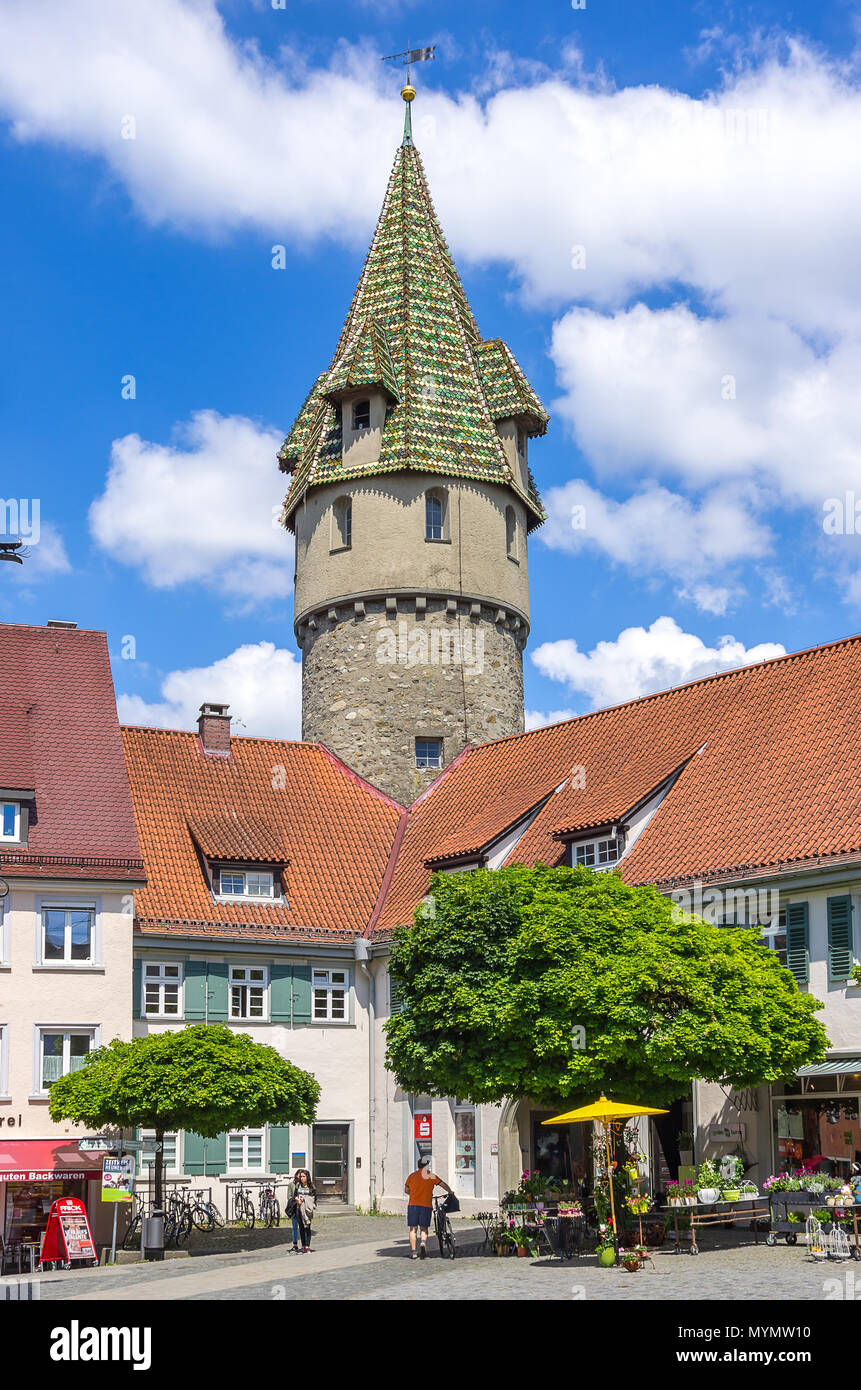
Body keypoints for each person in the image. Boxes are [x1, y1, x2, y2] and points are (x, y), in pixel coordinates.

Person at [404, 1156, 453, 1259]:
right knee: (424, 1228)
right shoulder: (431, 1176)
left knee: (413, 1229)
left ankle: (413, 1252)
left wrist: (414, 1194)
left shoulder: (412, 1176)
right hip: (426, 1205)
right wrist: (450, 1191)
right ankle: (422, 1242)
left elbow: (406, 1190)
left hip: (413, 1205)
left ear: (418, 1166)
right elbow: (443, 1184)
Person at [287, 1169, 317, 1253]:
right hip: (299, 1209)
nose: (302, 1178)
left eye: (304, 1176)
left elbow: (314, 1199)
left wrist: (305, 1199)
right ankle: (303, 1245)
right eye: (301, 1176)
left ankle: (307, 1246)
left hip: (307, 1210)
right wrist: (297, 1200)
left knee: (307, 1227)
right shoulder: (298, 1186)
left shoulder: (311, 1187)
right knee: (301, 1228)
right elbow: (294, 1196)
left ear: (307, 1177)